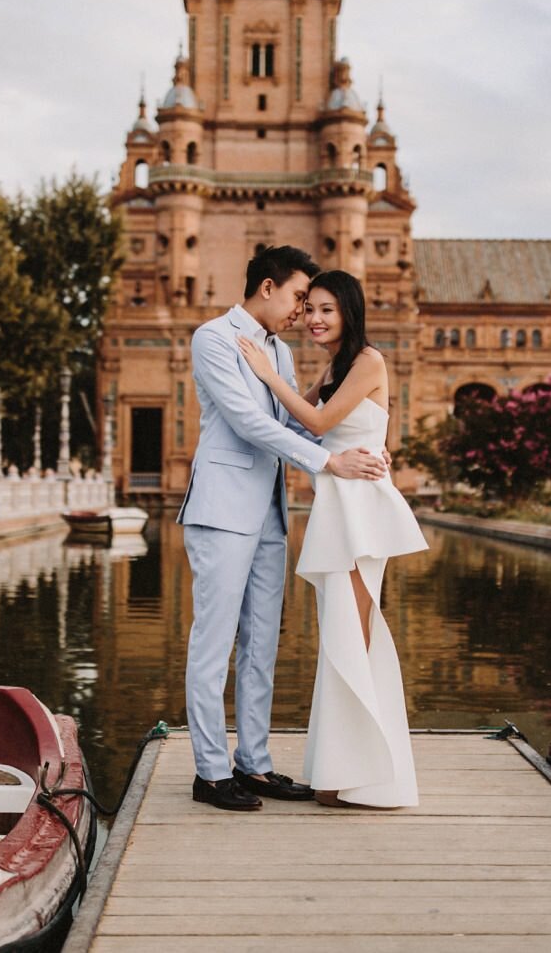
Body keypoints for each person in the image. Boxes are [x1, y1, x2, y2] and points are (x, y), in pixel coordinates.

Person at [179, 246, 388, 812]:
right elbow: (249, 423)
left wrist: (358, 451)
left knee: (261, 644)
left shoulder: (279, 352)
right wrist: (327, 462)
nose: (303, 310)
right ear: (267, 288)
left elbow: (295, 421)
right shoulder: (213, 338)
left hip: (271, 512)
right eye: (299, 296)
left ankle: (255, 764)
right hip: (222, 510)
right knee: (213, 643)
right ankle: (211, 773)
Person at [237, 269, 427, 808]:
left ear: (348, 312)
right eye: (310, 308)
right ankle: (337, 774)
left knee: (354, 637)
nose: (315, 319)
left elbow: (317, 424)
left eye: (326, 310)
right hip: (339, 506)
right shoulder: (336, 369)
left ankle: (362, 776)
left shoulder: (369, 361)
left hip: (362, 512)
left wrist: (269, 377)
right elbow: (295, 428)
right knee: (340, 638)